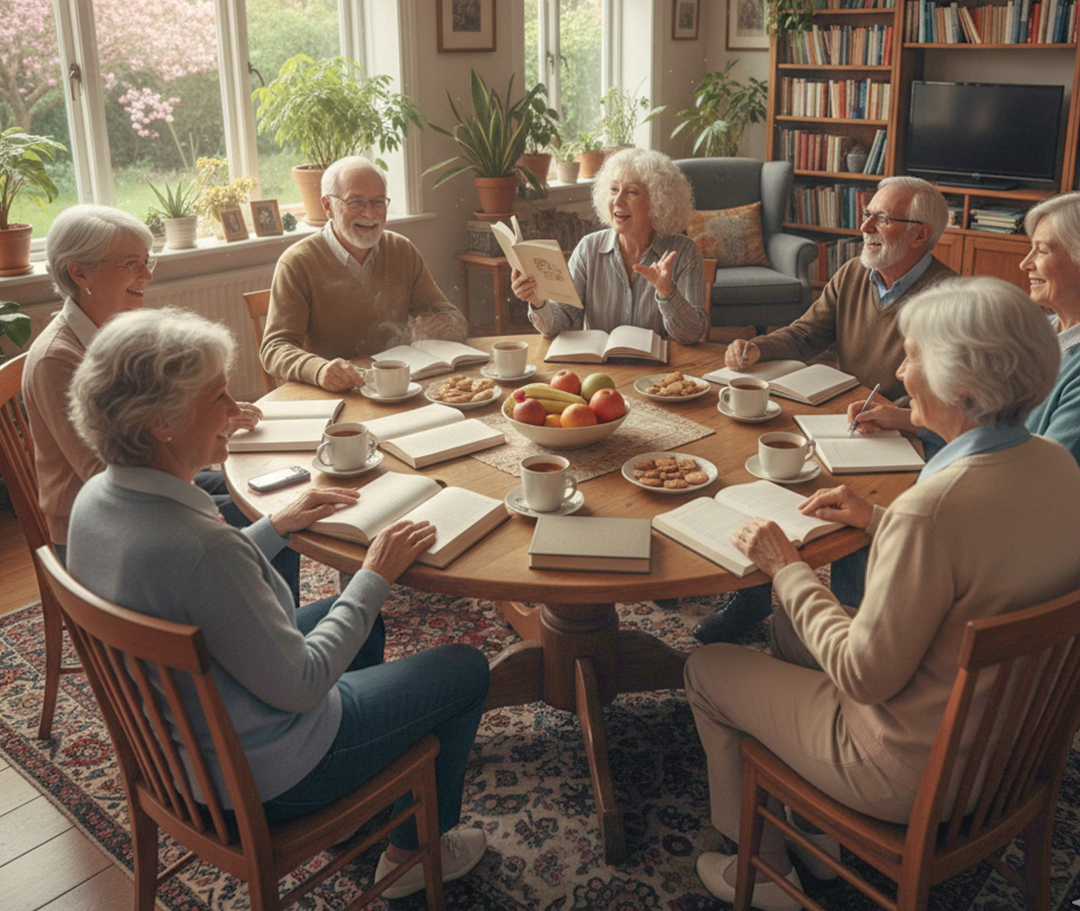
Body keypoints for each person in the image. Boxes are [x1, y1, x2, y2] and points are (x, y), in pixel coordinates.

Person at [684, 277, 1080, 911]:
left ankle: (760, 868)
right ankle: (813, 834)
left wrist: (787, 568)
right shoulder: (1058, 468)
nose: (899, 369)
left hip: (910, 772)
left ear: (962, 382)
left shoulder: (934, 509)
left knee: (706, 667)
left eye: (914, 354)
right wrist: (877, 521)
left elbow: (862, 676)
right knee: (788, 634)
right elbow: (982, 552)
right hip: (1008, 749)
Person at [65, 308, 490, 899]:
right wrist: (372, 573)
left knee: (361, 628)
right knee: (464, 666)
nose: (233, 409)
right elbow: (302, 684)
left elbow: (189, 582)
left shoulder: (97, 501)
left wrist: (274, 525)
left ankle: (370, 787)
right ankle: (415, 854)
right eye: (217, 396)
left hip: (182, 755)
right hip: (263, 781)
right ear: (161, 422)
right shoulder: (203, 549)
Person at [696, 176, 956, 643]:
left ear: (921, 234)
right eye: (868, 213)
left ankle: (848, 628)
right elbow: (804, 334)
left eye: (882, 218)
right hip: (844, 417)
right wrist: (756, 347)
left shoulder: (950, 298)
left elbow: (947, 393)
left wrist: (899, 416)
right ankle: (751, 598)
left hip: (904, 432)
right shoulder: (856, 272)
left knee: (851, 512)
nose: (865, 225)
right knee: (753, 472)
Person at [22, 207, 301, 603]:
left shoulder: (116, 327)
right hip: (104, 522)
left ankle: (273, 612)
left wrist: (211, 412)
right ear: (79, 273)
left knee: (273, 486)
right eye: (131, 264)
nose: (148, 275)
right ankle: (264, 618)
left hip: (145, 478)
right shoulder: (57, 358)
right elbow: (103, 472)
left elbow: (154, 416)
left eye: (147, 260)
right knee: (267, 513)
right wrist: (204, 429)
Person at [847, 190, 1080, 467]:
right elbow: (985, 429)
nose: (1025, 263)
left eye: (1042, 250)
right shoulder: (1041, 330)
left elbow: (1037, 476)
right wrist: (906, 421)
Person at [260, 156, 468, 392]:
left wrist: (441, 326)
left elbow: (452, 318)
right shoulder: (297, 262)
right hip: (333, 395)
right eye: (355, 202)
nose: (369, 214)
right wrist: (318, 370)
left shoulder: (402, 250)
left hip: (396, 387)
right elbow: (274, 348)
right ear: (328, 206)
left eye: (378, 202)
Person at [511, 148, 709, 345]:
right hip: (599, 372)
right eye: (613, 189)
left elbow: (691, 335)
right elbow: (559, 322)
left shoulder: (684, 253)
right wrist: (538, 301)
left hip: (658, 374)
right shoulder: (588, 249)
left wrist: (668, 293)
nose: (617, 200)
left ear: (659, 201)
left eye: (632, 191)